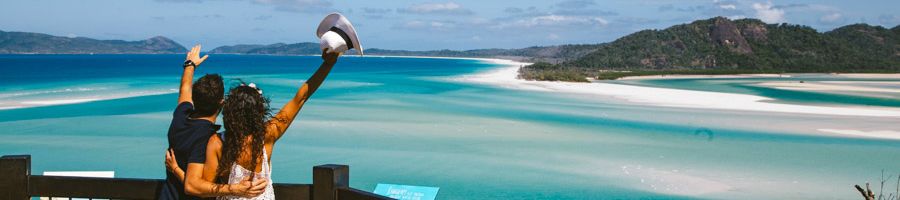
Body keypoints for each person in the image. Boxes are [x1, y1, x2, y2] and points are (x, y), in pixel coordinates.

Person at [166, 49, 341, 199]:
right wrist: (328, 64)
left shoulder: (217, 143)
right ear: (259, 111)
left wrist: (177, 170)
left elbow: (198, 187)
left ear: (228, 112)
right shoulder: (269, 134)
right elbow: (301, 97)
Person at [161, 44, 267, 200]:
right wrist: (235, 189)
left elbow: (184, 90)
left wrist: (190, 65)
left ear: (194, 99)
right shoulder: (208, 138)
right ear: (221, 103)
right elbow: (193, 185)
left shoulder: (180, 118)